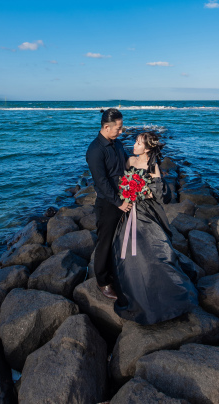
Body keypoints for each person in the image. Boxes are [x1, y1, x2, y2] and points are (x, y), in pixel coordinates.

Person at [110, 131, 198, 324]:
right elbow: (120, 180)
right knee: (126, 249)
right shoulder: (131, 161)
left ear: (148, 148)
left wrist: (141, 190)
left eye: (139, 143)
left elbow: (159, 194)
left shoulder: (153, 166)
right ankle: (131, 288)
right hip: (130, 209)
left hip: (146, 211)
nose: (134, 145)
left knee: (155, 249)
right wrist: (127, 190)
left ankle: (165, 293)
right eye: (135, 142)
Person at [85, 108, 132, 300]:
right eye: (118, 128)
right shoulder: (95, 150)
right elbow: (101, 182)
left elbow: (126, 166)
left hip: (125, 198)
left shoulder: (118, 144)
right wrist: (119, 202)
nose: (121, 132)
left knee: (120, 239)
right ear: (106, 127)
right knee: (105, 242)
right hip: (108, 203)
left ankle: (118, 272)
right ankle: (102, 282)